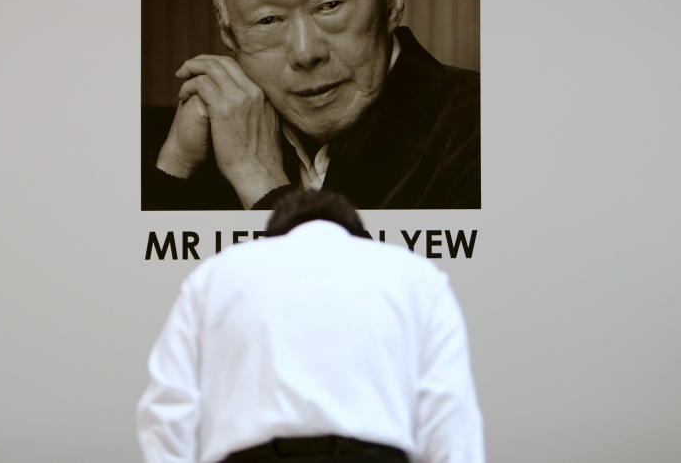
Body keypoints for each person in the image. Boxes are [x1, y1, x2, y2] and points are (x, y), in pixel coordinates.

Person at [143, 0, 480, 211]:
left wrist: (259, 179)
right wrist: (176, 165)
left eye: (329, 5)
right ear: (231, 37)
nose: (305, 53)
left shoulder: (483, 132)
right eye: (268, 19)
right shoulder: (188, 141)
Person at [136, 189, 484, 462]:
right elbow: (449, 412)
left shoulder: (216, 274)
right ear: (359, 236)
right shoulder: (416, 275)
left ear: (273, 236)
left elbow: (169, 406)